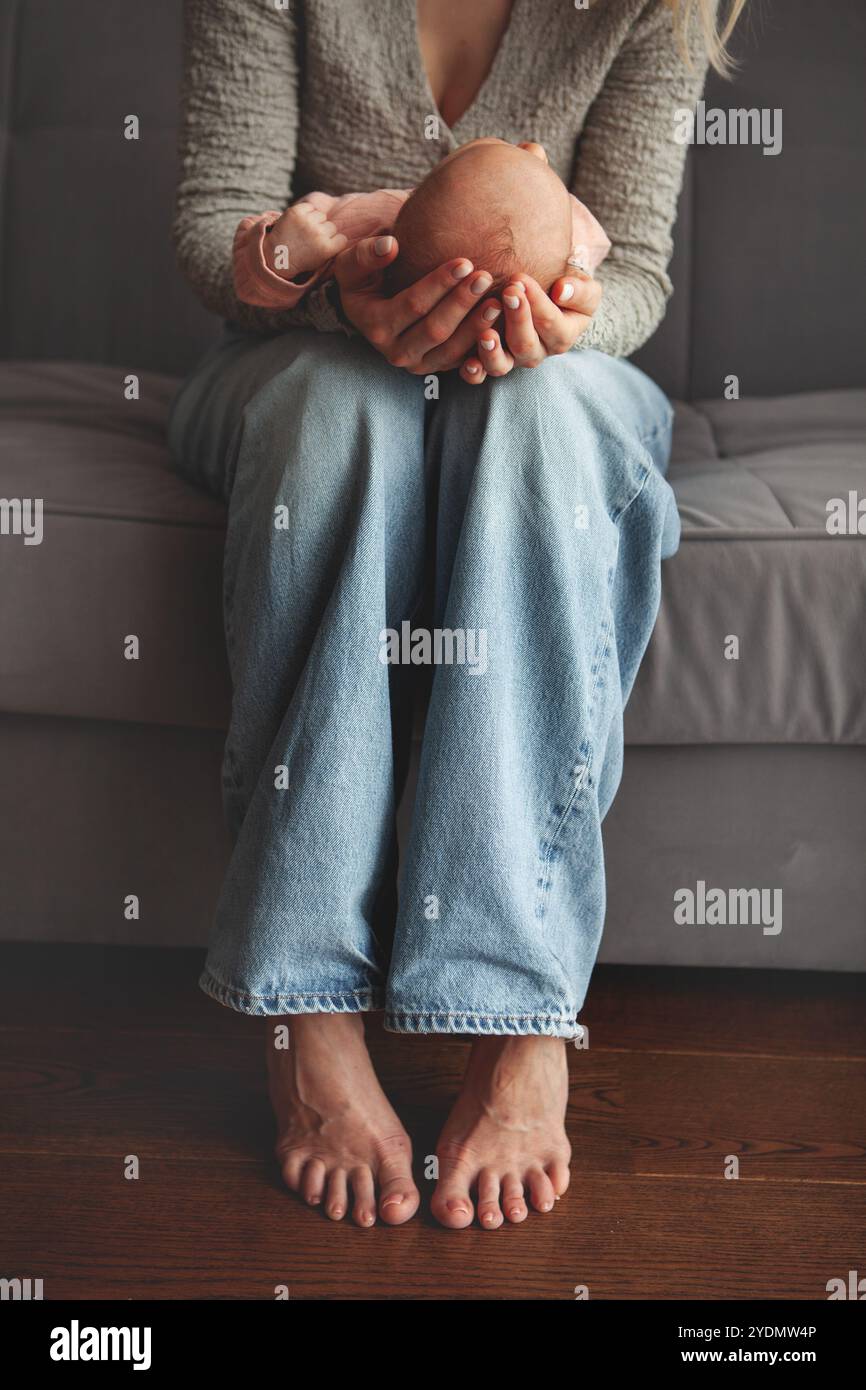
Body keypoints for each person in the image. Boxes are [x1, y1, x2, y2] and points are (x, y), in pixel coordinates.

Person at [169, 0, 745, 1231]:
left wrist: (554, 324)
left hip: (549, 376)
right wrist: (335, 295)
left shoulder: (648, 7)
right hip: (295, 360)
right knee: (344, 419)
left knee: (536, 428)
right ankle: (305, 1007)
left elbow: (632, 267)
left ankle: (516, 1013)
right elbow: (210, 227)